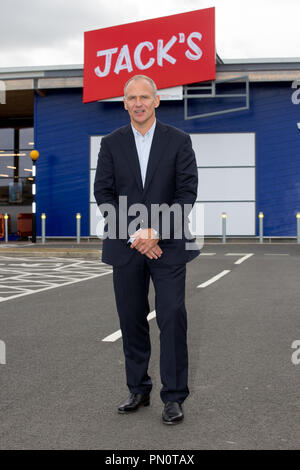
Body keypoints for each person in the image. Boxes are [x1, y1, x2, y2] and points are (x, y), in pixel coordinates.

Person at [94, 74, 199, 425]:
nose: (138, 103)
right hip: (126, 247)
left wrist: (156, 231)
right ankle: (138, 389)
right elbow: (104, 195)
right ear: (124, 103)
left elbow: (186, 193)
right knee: (131, 319)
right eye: (131, 98)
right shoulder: (110, 144)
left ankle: (173, 396)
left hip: (167, 246)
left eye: (144, 97)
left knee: (171, 317)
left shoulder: (179, 141)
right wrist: (136, 235)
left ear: (156, 101)